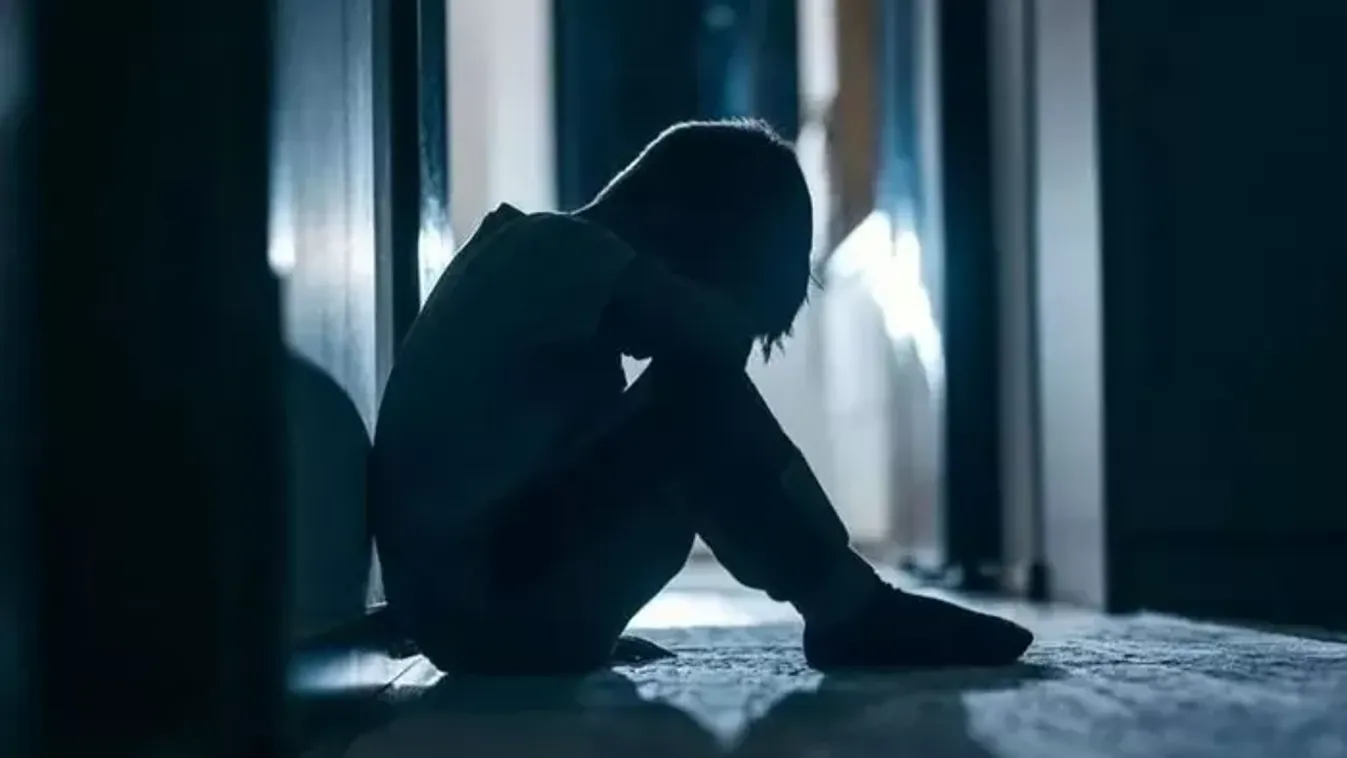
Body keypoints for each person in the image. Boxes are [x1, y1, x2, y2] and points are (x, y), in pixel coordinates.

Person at [368, 119, 1033, 675]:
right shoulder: (554, 248)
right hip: (482, 603)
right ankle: (849, 607)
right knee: (695, 396)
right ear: (679, 222)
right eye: (723, 282)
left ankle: (846, 600)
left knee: (688, 398)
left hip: (473, 605)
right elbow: (709, 342)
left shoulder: (531, 269)